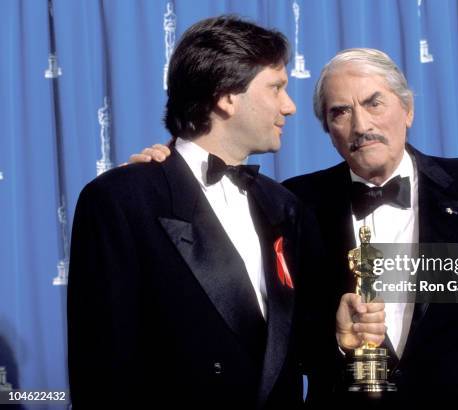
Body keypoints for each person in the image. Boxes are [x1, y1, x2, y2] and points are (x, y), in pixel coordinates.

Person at [134, 48, 458, 408]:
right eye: (340, 112)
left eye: (374, 103)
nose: (361, 126)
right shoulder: (290, 202)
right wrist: (164, 174)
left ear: (407, 109)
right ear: (328, 130)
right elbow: (279, 332)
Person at [67, 18, 385, 409]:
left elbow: (285, 346)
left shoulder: (282, 205)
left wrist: (335, 338)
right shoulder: (122, 200)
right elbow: (103, 369)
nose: (290, 106)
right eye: (277, 88)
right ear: (227, 96)